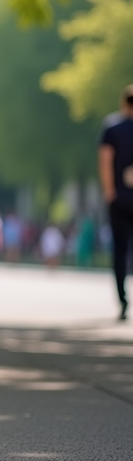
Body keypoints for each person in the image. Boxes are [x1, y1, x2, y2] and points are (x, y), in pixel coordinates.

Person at [98, 84, 133, 322]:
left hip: (119, 197)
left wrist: (109, 190)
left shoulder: (112, 127)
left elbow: (105, 160)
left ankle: (122, 299)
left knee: (120, 250)